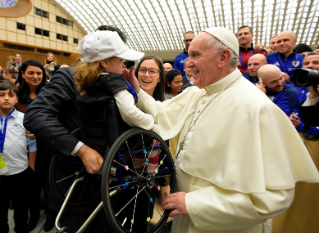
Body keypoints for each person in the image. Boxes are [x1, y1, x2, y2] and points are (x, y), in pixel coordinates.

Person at [127, 27, 319, 233]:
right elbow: (161, 111)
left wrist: (193, 204)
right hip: (185, 218)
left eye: (195, 55)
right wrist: (135, 88)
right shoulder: (197, 93)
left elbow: (273, 198)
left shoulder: (256, 107)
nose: (187, 64)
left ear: (223, 57)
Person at [23, 26, 157, 233]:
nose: (122, 64)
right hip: (79, 186)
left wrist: (135, 88)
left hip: (117, 185)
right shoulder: (68, 76)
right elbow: (36, 115)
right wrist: (81, 149)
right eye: (118, 57)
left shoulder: (120, 81)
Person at [272, 52, 319, 233]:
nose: (310, 66)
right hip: (306, 145)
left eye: (315, 62)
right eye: (307, 63)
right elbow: (307, 117)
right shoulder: (305, 91)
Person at [14, 59, 56, 231]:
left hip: (47, 146)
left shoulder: (50, 95)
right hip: (24, 147)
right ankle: (34, 216)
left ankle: (51, 216)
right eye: (30, 73)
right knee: (31, 182)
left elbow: (55, 119)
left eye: (39, 73)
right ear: (22, 74)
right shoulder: (16, 96)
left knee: (48, 181)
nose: (35, 76)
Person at [0, 80, 37, 233]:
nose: (6, 98)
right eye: (1, 95)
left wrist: (31, 167)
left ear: (16, 99)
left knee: (21, 207)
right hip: (1, 174)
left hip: (20, 172)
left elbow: (32, 144)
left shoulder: (24, 118)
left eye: (11, 95)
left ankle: (21, 229)